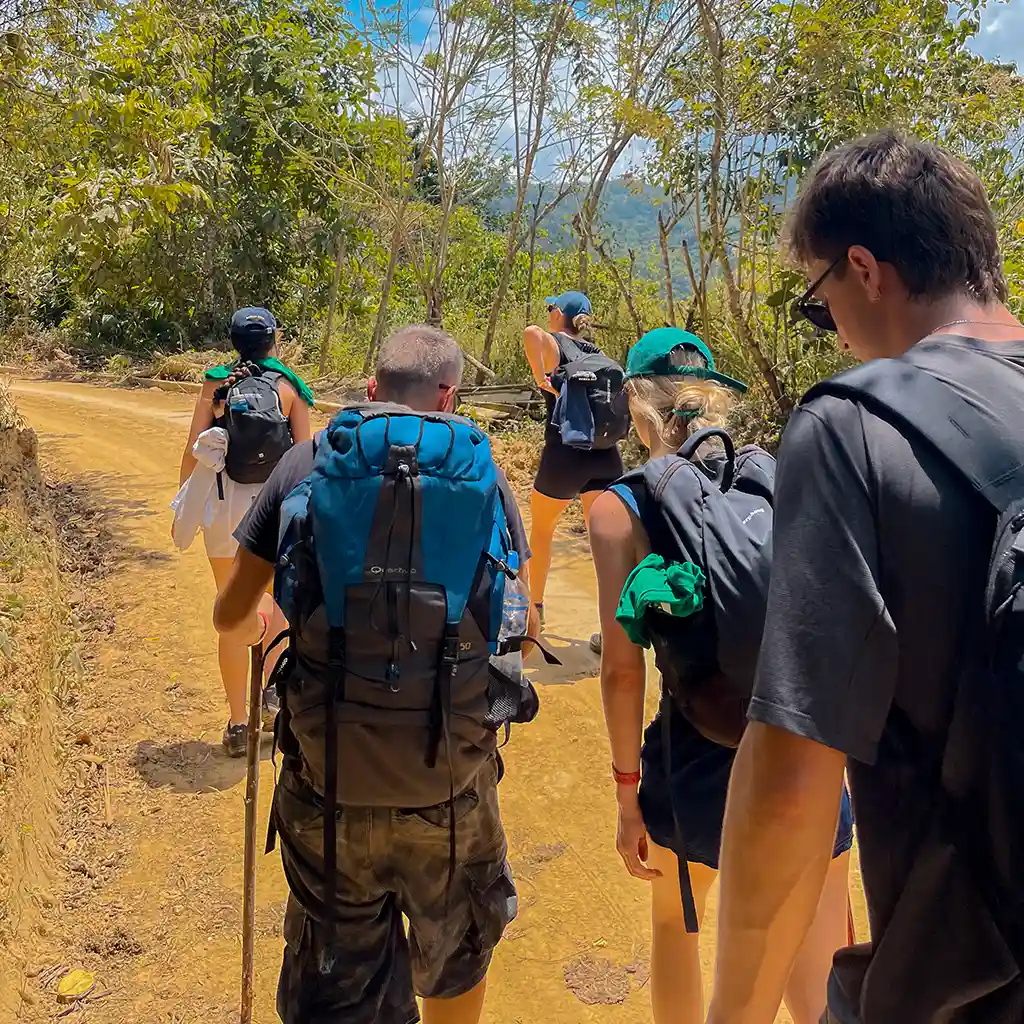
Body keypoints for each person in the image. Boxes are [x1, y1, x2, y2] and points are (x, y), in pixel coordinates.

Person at [708, 131, 1024, 1024]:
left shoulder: (855, 428)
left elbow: (791, 777)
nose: (833, 331)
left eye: (819, 304)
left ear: (864, 268)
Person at [212, 325, 538, 1024]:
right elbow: (523, 632)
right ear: (450, 396)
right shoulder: (488, 479)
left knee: (340, 980)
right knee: (456, 958)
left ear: (370, 389)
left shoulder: (305, 466)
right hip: (450, 781)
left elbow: (231, 621)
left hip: (327, 783)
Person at [588, 326, 853, 1024]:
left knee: (681, 928)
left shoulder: (622, 504)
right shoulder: (785, 472)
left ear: (638, 409)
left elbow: (621, 670)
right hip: (807, 746)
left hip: (696, 757)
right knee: (814, 946)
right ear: (716, 401)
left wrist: (626, 796)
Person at [177, 306, 313, 756]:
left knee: (232, 612)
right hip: (273, 511)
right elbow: (304, 461)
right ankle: (271, 702)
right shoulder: (290, 387)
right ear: (274, 340)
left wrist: (187, 506)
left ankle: (238, 723)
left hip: (222, 508)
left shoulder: (215, 383)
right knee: (277, 605)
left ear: (234, 341)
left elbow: (194, 450)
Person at [523, 291, 624, 650]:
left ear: (558, 316)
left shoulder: (554, 346)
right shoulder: (600, 357)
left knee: (542, 533)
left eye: (551, 307)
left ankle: (534, 612)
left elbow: (530, 332)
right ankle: (611, 627)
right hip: (606, 457)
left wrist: (541, 376)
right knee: (605, 545)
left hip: (565, 454)